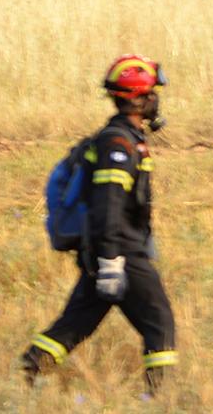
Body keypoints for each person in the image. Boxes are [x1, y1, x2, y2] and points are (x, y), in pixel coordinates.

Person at [23, 57, 179, 395]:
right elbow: (107, 207)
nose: (157, 99)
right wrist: (111, 261)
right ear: (140, 97)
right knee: (159, 322)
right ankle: (160, 399)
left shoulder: (126, 138)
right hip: (118, 250)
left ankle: (25, 375)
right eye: (152, 93)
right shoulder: (117, 144)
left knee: (75, 325)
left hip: (110, 248)